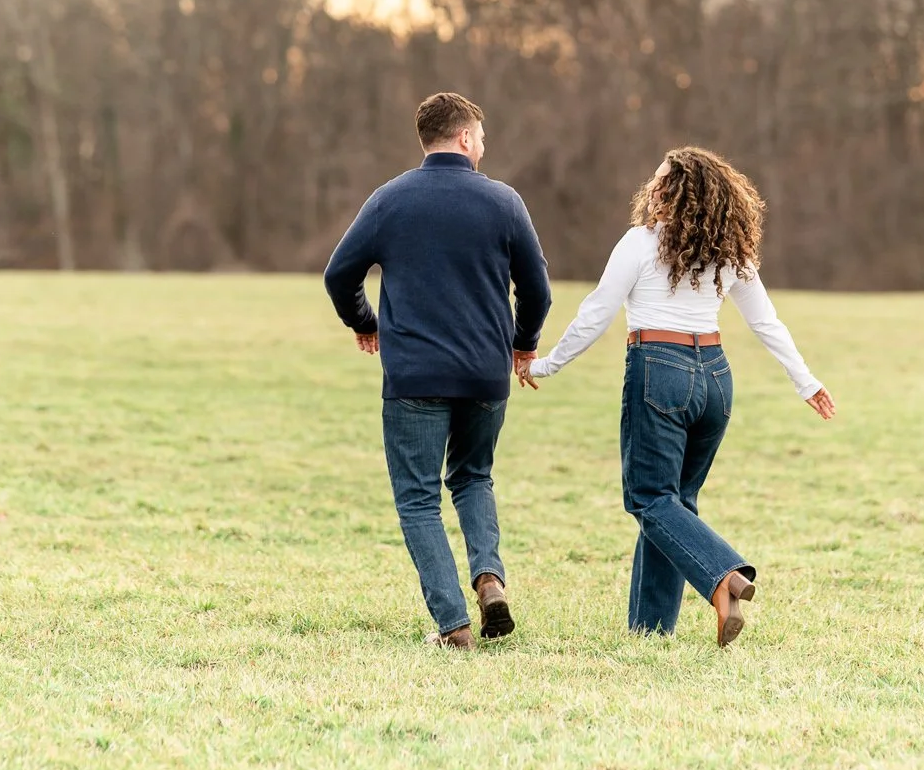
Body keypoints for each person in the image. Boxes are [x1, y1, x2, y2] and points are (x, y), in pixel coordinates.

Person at [527, 146, 836, 647]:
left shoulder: (639, 243)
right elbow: (765, 322)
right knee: (675, 505)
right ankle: (650, 631)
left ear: (684, 194)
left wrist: (547, 363)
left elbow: (596, 312)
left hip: (659, 371)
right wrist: (805, 381)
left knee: (649, 499)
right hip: (716, 379)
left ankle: (723, 575)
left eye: (663, 182)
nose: (653, 188)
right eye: (653, 179)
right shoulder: (729, 251)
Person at [323, 92, 553, 649]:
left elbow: (338, 275)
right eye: (481, 137)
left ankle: (454, 627)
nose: (483, 147)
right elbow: (538, 290)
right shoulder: (504, 202)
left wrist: (366, 322)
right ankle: (489, 579)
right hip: (484, 374)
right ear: (465, 138)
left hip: (414, 377)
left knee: (419, 500)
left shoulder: (389, 200)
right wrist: (522, 344)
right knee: (474, 477)